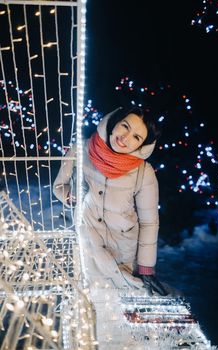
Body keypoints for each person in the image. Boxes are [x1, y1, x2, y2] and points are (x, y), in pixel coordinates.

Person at [53, 107, 167, 296]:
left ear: (141, 146)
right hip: (86, 245)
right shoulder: (80, 150)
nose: (125, 138)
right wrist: (71, 196)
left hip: (123, 254)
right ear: (114, 122)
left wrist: (146, 267)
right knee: (89, 306)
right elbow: (59, 186)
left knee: (121, 309)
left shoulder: (143, 172)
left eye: (136, 137)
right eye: (125, 126)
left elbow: (149, 222)